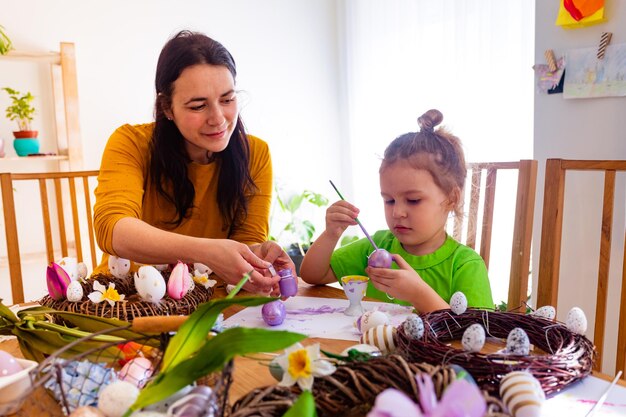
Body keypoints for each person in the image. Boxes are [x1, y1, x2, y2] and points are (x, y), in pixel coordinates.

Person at [93, 30, 293, 294]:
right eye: (198, 106)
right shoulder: (131, 142)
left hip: (210, 301)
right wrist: (207, 251)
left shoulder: (255, 153)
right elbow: (113, 228)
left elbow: (246, 241)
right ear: (167, 108)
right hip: (126, 301)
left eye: (227, 99)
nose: (218, 118)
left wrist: (257, 254)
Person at [300, 109, 493, 313]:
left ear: (451, 198)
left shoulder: (465, 265)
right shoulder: (376, 249)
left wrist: (418, 294)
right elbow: (313, 276)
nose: (397, 212)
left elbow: (476, 336)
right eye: (389, 200)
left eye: (413, 200)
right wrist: (331, 234)